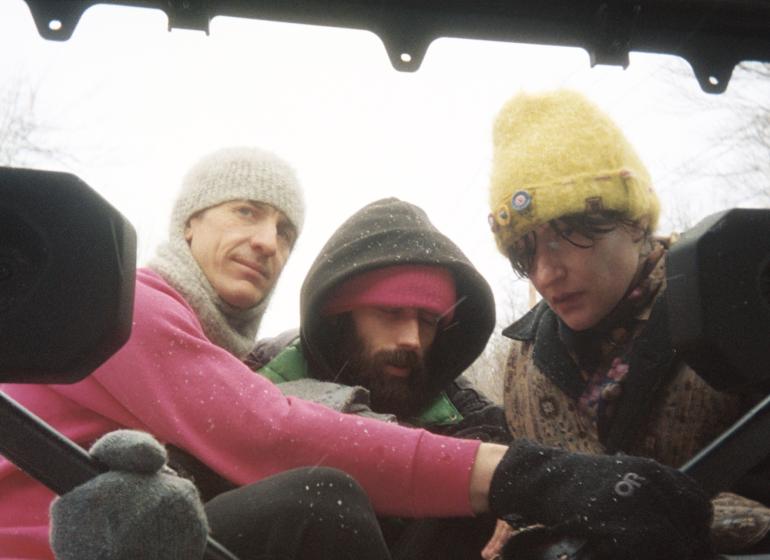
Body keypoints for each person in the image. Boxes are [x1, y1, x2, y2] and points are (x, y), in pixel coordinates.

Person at [0, 146, 713, 560]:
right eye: (245, 211)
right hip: (56, 546)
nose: (266, 241)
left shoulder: (474, 411)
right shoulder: (131, 308)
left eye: (284, 229)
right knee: (322, 500)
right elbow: (267, 430)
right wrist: (529, 475)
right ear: (187, 224)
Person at [485, 89, 770, 556]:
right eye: (526, 250)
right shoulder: (523, 361)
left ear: (634, 219)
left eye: (569, 233)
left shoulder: (740, 303)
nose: (544, 273)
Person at [247, 197, 511, 559]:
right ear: (339, 315)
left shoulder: (476, 426)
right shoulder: (249, 383)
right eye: (390, 312)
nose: (412, 339)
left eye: (428, 321)